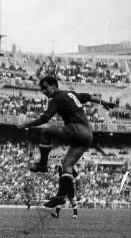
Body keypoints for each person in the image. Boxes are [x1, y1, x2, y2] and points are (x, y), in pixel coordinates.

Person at [19, 76, 115, 208]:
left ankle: (42, 165)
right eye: (42, 89)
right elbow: (87, 97)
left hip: (76, 130)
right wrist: (103, 102)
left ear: (54, 86)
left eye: (45, 88)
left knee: (46, 132)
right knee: (66, 165)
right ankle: (61, 197)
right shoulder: (71, 93)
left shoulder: (57, 98)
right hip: (87, 136)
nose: (44, 91)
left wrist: (27, 124)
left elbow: (45, 118)